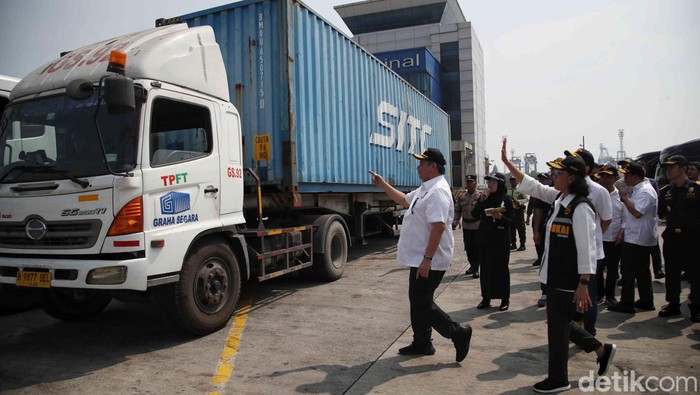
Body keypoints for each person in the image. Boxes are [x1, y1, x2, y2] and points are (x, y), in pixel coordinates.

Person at [501, 140, 616, 393]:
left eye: (558, 173)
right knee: (560, 322)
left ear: (572, 177)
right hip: (555, 275)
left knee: (557, 327)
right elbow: (535, 187)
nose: (554, 176)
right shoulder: (561, 199)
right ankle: (601, 349)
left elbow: (587, 248)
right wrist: (509, 164)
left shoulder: (581, 207)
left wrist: (584, 284)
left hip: (568, 279)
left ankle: (559, 379)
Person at [369, 148, 472, 361]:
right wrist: (383, 184)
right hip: (420, 257)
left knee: (422, 301)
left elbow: (438, 227)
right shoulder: (425, 189)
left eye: (422, 163)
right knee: (417, 299)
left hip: (430, 258)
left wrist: (427, 259)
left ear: (433, 166)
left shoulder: (438, 192)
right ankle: (422, 342)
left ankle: (458, 333)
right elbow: (405, 200)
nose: (418, 167)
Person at [564, 148, 612, 336]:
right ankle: (575, 332)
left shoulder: (599, 192)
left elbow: (606, 220)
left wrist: (590, 239)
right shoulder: (566, 191)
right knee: (571, 297)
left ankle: (589, 333)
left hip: (592, 255)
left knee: (588, 297)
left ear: (586, 168)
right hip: (570, 254)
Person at [608, 161, 658, 314]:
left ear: (636, 176)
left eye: (627, 175)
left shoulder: (645, 191)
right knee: (642, 271)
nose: (625, 178)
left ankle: (627, 302)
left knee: (629, 271)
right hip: (638, 237)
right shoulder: (639, 189)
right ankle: (645, 300)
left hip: (637, 238)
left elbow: (637, 213)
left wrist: (624, 199)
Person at [657, 155, 700, 322]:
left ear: (683, 169)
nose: (668, 170)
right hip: (673, 237)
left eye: (672, 167)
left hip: (693, 238)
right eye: (667, 167)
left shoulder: (696, 190)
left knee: (696, 274)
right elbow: (661, 213)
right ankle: (673, 304)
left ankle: (696, 306)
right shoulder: (666, 191)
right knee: (672, 273)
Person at [472, 172, 514, 311]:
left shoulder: (506, 200)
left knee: (500, 269)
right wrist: (482, 199)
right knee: (485, 269)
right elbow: (475, 214)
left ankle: (504, 298)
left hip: (500, 240)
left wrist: (501, 217)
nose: (490, 185)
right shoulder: (486, 198)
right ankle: (486, 298)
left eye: (493, 183)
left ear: (500, 184)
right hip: (485, 239)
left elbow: (512, 221)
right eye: (489, 182)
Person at [595, 165, 625, 306]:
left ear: (615, 178)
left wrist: (622, 232)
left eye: (608, 176)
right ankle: (599, 294)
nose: (605, 179)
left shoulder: (621, 196)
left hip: (614, 238)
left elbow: (626, 217)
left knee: (613, 269)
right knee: (598, 269)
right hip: (599, 238)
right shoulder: (596, 194)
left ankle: (610, 295)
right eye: (603, 176)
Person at [452, 174, 483, 278]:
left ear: (475, 183)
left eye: (471, 182)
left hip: (477, 226)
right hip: (466, 226)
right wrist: (455, 221)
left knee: (477, 248)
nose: (469, 184)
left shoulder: (480, 197)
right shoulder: (462, 197)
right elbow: (457, 210)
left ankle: (476, 268)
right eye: (468, 182)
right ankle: (472, 265)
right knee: (468, 247)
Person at [508, 176, 528, 251]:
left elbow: (526, 199)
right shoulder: (508, 190)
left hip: (518, 211)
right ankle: (513, 244)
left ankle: (522, 244)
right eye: (511, 181)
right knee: (512, 228)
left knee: (521, 228)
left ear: (517, 181)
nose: (512, 182)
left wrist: (519, 202)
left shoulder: (521, 189)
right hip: (511, 212)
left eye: (514, 180)